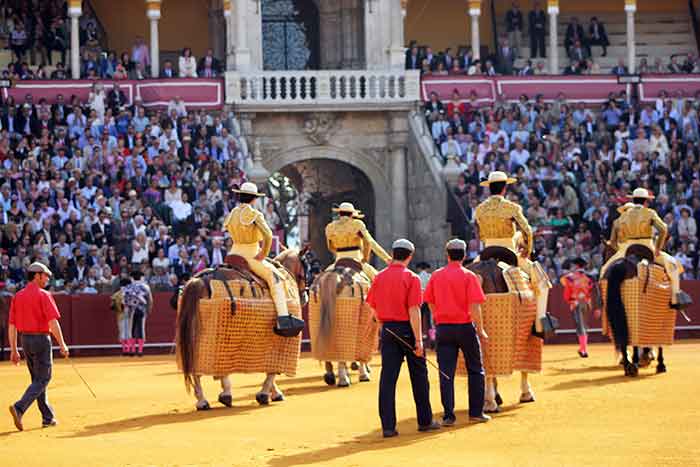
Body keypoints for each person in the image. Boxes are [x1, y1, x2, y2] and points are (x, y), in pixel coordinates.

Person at [474, 171, 551, 401]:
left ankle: (490, 388)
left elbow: (478, 234)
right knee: (542, 283)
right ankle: (539, 322)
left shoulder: (480, 210)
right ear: (504, 188)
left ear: (489, 188)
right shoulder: (511, 207)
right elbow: (527, 230)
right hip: (510, 254)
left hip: (484, 253)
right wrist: (527, 250)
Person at [367, 239, 440, 438]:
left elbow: (372, 307)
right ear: (410, 255)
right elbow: (414, 310)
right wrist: (418, 340)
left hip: (388, 330)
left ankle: (388, 427)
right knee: (419, 377)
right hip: (407, 329)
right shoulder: (412, 278)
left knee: (388, 379)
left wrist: (382, 323)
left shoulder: (379, 276)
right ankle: (425, 421)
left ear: (392, 253)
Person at [424, 239, 490, 425]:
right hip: (465, 327)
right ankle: (476, 412)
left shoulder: (436, 275)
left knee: (446, 373)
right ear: (464, 255)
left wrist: (437, 316)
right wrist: (481, 330)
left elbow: (429, 300)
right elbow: (475, 306)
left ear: (447, 255)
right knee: (476, 370)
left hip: (444, 328)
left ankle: (448, 415)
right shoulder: (469, 276)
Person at [224, 182, 304, 336]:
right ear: (254, 199)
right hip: (251, 255)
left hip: (233, 254)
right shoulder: (255, 214)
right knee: (276, 279)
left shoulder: (232, 214)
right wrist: (263, 254)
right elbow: (267, 235)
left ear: (240, 196)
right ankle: (283, 318)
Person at [601, 188, 691, 309]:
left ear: (633, 199)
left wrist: (611, 246)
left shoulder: (620, 219)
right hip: (647, 245)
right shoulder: (650, 213)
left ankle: (602, 298)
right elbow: (663, 229)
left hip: (625, 248)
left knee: (605, 269)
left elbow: (612, 243)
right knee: (673, 265)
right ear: (646, 201)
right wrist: (658, 248)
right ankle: (675, 298)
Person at [8, 262, 69, 432]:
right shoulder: (44, 295)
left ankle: (47, 418)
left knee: (37, 380)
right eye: (45, 275)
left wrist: (13, 349)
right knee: (43, 379)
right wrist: (62, 344)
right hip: (41, 339)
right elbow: (53, 322)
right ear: (36, 276)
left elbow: (12, 325)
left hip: (25, 340)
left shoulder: (18, 296)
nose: (47, 278)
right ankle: (19, 408)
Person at [325, 202, 391, 281]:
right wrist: (386, 258)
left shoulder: (330, 227)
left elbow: (330, 247)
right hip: (356, 258)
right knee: (380, 281)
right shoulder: (357, 224)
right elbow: (370, 242)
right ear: (352, 214)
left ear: (339, 213)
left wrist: (339, 253)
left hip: (339, 259)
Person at [561, 258, 599, 358]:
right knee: (584, 325)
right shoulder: (589, 277)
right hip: (586, 303)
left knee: (580, 326)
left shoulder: (569, 278)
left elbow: (567, 293)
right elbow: (593, 291)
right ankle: (583, 348)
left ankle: (583, 350)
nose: (572, 267)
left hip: (576, 303)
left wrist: (570, 301)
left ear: (577, 266)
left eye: (573, 265)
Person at [122, 270, 153, 357]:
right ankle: (140, 350)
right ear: (141, 277)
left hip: (130, 310)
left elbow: (124, 300)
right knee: (141, 329)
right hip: (141, 310)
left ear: (132, 278)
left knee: (131, 329)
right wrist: (149, 309)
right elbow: (150, 300)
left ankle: (131, 349)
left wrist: (127, 310)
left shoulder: (128, 287)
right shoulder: (145, 287)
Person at [111, 277, 131, 356]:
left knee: (122, 333)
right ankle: (129, 349)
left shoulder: (116, 294)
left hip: (121, 315)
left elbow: (112, 307)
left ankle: (125, 350)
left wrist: (118, 306)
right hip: (130, 315)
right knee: (129, 332)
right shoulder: (131, 292)